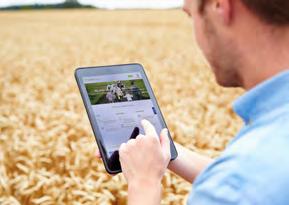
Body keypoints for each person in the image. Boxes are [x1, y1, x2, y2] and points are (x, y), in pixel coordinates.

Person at [96, 0, 289, 204]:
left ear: (220, 6)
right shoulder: (253, 170)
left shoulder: (234, 189)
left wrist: (143, 184)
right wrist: (167, 149)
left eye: (191, 16)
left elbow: (237, 188)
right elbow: (256, 180)